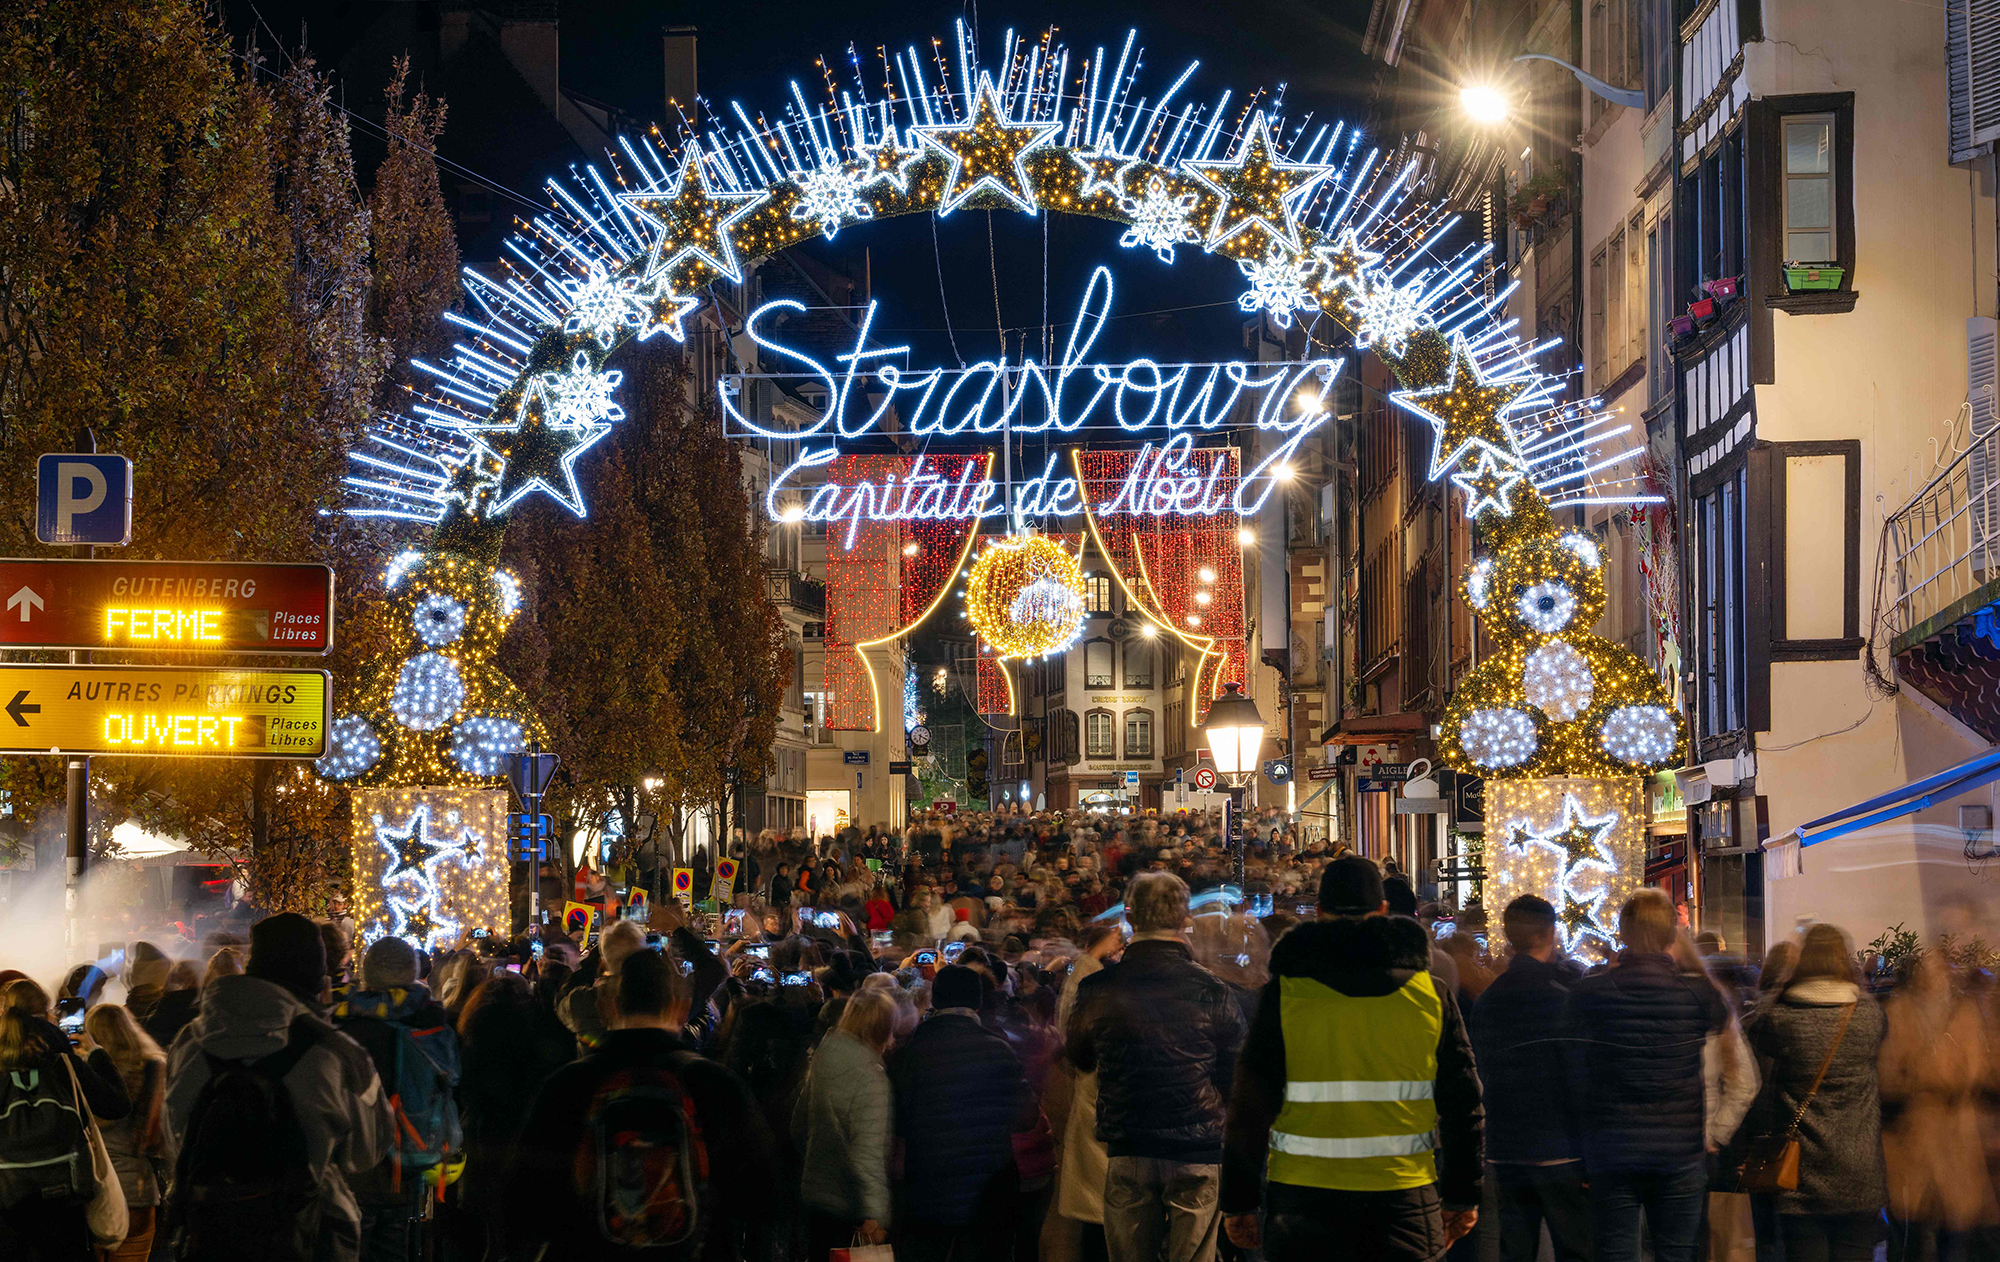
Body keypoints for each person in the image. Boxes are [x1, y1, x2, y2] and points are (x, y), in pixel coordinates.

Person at [1221, 853, 1484, 1262]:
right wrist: (1462, 1195)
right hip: (1404, 1198)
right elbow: (1463, 1103)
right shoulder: (1429, 994)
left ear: (1319, 912)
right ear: (1382, 911)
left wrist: (1239, 1202)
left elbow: (1249, 1105)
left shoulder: (1286, 995)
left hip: (1302, 1202)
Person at [505, 948, 781, 1261]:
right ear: (681, 1009)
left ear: (607, 1008)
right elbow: (764, 1197)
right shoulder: (717, 1086)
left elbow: (522, 1205)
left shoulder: (566, 1087)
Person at [164, 912, 394, 1262]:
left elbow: (174, 1132)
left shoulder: (189, 1042)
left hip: (206, 1234)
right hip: (307, 1237)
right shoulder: (336, 1051)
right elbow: (367, 1151)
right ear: (319, 980)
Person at [1068, 871, 1246, 1262]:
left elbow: (1080, 1056)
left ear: (1130, 918)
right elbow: (1236, 1074)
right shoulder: (1213, 990)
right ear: (1184, 919)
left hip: (1128, 1142)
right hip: (1197, 1145)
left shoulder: (1098, 988)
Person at [1566, 889, 1728, 1262]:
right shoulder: (1698, 993)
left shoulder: (1590, 993)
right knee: (1676, 1252)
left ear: (1623, 934)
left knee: (1616, 1250)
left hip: (1611, 1147)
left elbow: (1575, 1064)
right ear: (1673, 936)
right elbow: (1718, 1026)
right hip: (1679, 1149)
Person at [1744, 922, 1887, 1260]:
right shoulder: (1870, 1016)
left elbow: (1754, 1029)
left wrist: (1782, 986)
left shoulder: (1781, 1018)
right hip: (1859, 1171)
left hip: (1799, 1171)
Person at [1468, 895, 1588, 1262]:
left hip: (1507, 1146)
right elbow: (1578, 1074)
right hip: (1560, 1146)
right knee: (1576, 1247)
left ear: (1507, 937)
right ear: (1551, 933)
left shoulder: (1489, 999)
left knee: (1515, 1248)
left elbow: (1482, 1069)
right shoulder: (1565, 997)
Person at [331, 937, 461, 1262]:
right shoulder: (432, 1022)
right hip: (407, 1162)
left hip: (351, 1165)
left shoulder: (342, 1023)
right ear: (412, 972)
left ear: (366, 971)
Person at [891, 965, 1029, 1261]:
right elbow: (1025, 1117)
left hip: (928, 1191)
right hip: (989, 1191)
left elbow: (897, 1127)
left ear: (934, 1001)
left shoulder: (909, 1055)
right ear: (978, 1002)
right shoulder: (1000, 1050)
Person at [1879, 948, 2000, 1259]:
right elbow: (1888, 1070)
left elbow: (1976, 1067)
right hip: (1915, 1128)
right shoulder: (1900, 1011)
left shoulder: (1964, 1012)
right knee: (1916, 1222)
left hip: (1953, 1130)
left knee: (1952, 1222)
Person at [0, 979, 132, 1262]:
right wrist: (94, 1052)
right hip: (66, 1206)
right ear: (48, 1015)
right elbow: (117, 1105)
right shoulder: (64, 1064)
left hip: (8, 1212)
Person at [793, 988, 897, 1256]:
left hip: (815, 1194)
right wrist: (876, 1216)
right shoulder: (870, 1078)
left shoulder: (823, 1059)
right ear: (882, 1030)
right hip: (849, 1206)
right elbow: (868, 1154)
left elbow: (798, 1124)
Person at [82, 1003, 170, 1262]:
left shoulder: (81, 1070)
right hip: (136, 1192)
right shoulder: (152, 1067)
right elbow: (155, 1137)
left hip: (92, 1191)